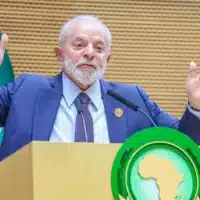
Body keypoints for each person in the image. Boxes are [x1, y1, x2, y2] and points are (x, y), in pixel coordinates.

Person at [0, 15, 199, 161]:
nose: (89, 53)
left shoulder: (133, 100)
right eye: (79, 45)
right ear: (59, 55)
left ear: (107, 59)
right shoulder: (26, 90)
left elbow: (180, 141)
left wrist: (196, 108)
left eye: (99, 48)